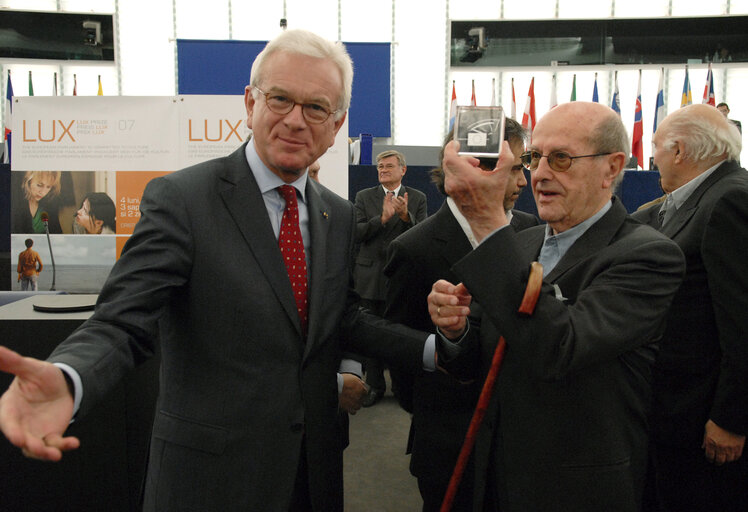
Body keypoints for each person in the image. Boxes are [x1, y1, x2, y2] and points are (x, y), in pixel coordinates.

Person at [0, 29, 429, 512]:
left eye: (315, 108)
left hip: (312, 474)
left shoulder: (339, 213)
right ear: (250, 104)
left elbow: (341, 316)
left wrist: (435, 349)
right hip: (209, 482)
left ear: (337, 125)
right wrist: (69, 376)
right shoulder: (183, 199)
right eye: (280, 99)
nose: (294, 120)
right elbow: (121, 319)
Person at [428, 101, 685, 511]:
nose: (540, 174)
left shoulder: (649, 256)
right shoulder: (523, 243)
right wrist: (455, 330)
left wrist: (488, 224)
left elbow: (560, 348)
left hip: (575, 489)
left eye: (561, 159)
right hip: (496, 479)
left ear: (612, 168)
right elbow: (478, 361)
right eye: (533, 158)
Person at [384, 118, 538, 511]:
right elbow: (403, 355)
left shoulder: (530, 231)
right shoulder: (413, 249)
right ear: (480, 168)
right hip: (449, 446)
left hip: (522, 447)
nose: (525, 181)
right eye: (518, 166)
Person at [632, 103, 748, 512]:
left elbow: (742, 324)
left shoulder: (730, 200)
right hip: (679, 416)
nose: (653, 158)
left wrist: (733, 419)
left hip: (707, 423)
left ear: (679, 151)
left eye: (657, 148)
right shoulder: (704, 197)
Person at [353, 150, 427, 407]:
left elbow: (422, 236)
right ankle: (374, 385)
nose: (383, 170)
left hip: (400, 277)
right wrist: (381, 219)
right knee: (371, 334)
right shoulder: (364, 196)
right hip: (369, 277)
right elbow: (357, 232)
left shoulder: (417, 198)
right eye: (380, 167)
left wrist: (406, 216)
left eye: (388, 166)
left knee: (398, 334)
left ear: (403, 170)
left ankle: (400, 386)